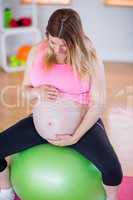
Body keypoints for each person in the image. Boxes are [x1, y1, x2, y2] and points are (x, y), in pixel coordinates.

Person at [0, 8, 123, 200]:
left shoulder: (90, 56)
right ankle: (6, 191)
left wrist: (75, 137)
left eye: (65, 45)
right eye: (53, 42)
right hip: (38, 124)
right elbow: (25, 90)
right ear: (47, 35)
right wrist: (36, 92)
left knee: (113, 171)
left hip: (82, 127)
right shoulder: (36, 51)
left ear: (78, 38)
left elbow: (98, 104)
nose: (58, 50)